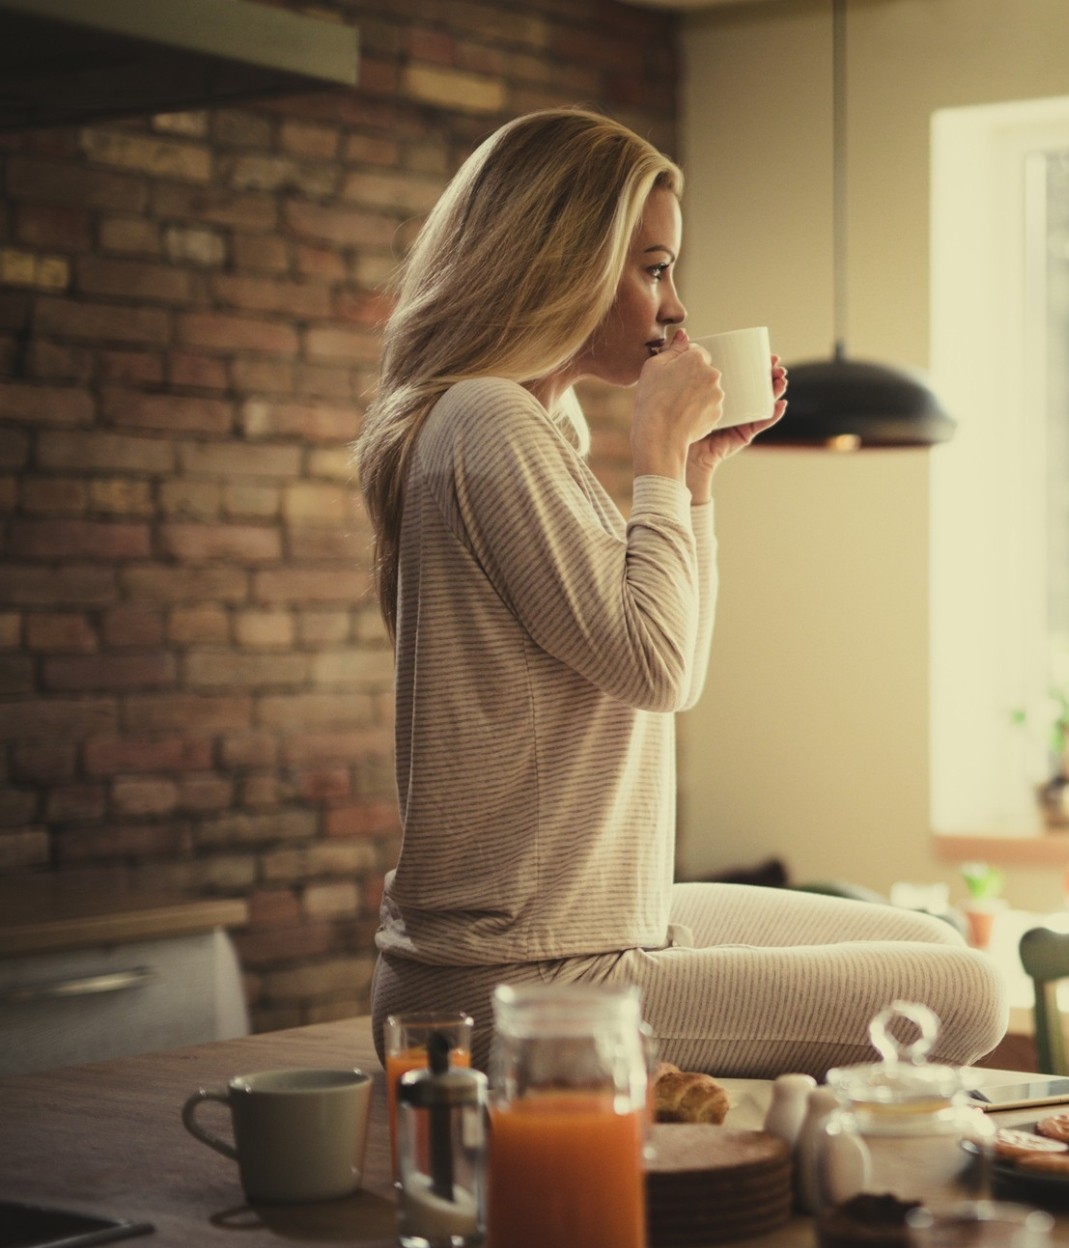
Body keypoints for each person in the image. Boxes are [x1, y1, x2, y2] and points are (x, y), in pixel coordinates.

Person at [354, 109, 1005, 1074]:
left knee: (940, 950)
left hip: (587, 930)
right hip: (520, 982)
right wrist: (654, 450)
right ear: (562, 263)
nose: (675, 309)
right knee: (973, 994)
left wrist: (692, 475)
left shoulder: (527, 427)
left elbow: (666, 660)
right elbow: (656, 669)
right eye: (652, 268)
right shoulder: (485, 419)